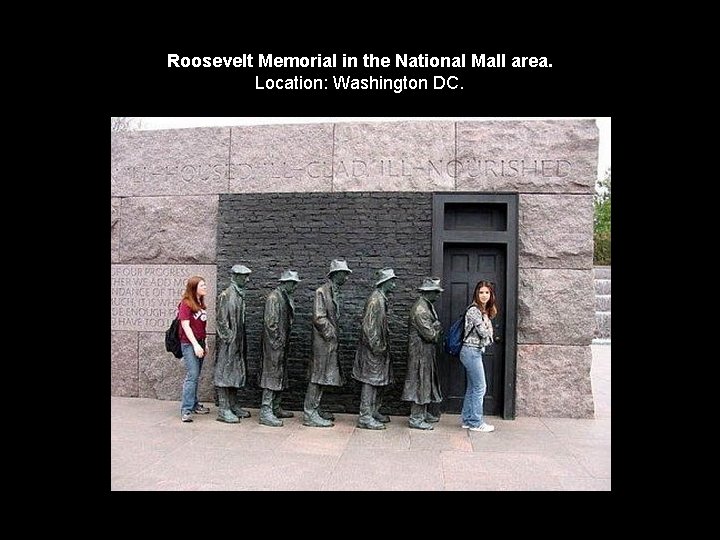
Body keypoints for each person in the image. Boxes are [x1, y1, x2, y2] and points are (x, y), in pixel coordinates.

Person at [303, 259, 353, 428]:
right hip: (322, 343)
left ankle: (316, 408)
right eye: (344, 274)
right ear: (335, 274)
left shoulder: (334, 291)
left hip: (329, 343)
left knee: (324, 376)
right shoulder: (321, 292)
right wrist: (331, 333)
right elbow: (319, 317)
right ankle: (309, 413)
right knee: (317, 376)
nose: (346, 277)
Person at [352, 268, 397, 430]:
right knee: (369, 382)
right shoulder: (375, 300)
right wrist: (377, 347)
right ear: (384, 283)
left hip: (379, 349)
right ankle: (365, 416)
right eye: (392, 281)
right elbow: (368, 327)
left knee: (378, 381)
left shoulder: (381, 298)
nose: (394, 283)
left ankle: (373, 411)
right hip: (373, 350)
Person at [259, 270, 300, 427]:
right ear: (285, 283)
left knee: (280, 375)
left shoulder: (284, 297)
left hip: (281, 343)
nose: (295, 286)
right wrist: (276, 342)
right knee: (271, 375)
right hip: (273, 345)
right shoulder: (274, 298)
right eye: (293, 283)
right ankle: (266, 410)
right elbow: (270, 324)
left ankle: (275, 406)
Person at [402, 277, 444, 430]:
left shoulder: (427, 306)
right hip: (420, 354)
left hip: (426, 353)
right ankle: (416, 418)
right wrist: (437, 328)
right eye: (436, 292)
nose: (438, 295)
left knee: (426, 383)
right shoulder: (421, 310)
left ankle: (423, 413)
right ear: (428, 292)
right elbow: (430, 335)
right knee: (420, 383)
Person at [213, 264, 252, 424]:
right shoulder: (226, 295)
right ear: (235, 276)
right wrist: (229, 338)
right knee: (224, 373)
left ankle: (233, 404)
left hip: (238, 341)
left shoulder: (240, 295)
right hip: (228, 343)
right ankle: (223, 409)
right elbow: (221, 320)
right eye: (244, 276)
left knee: (235, 372)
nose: (247, 280)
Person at [459, 280, 497, 432]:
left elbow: (488, 335)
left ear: (491, 294)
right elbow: (484, 333)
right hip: (470, 351)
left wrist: (487, 327)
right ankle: (476, 422)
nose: (484, 295)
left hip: (474, 351)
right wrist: (488, 326)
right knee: (481, 387)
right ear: (476, 293)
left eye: (487, 292)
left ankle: (468, 419)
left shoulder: (483, 311)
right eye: (481, 292)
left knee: (473, 387)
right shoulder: (474, 311)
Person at [178, 276, 210, 423]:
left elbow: (202, 326)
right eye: (202, 285)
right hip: (189, 344)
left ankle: (195, 404)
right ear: (194, 287)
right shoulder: (185, 304)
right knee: (192, 375)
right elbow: (186, 325)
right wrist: (195, 345)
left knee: (196, 375)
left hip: (200, 343)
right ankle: (186, 409)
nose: (205, 287)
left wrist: (205, 343)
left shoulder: (200, 303)